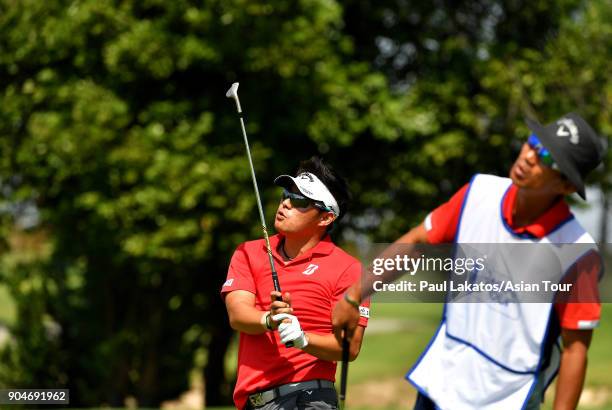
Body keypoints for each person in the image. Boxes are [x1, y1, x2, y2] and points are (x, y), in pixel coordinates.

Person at [333, 113, 605, 409]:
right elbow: (416, 243)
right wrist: (355, 295)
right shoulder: (479, 193)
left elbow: (575, 350)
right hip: (442, 383)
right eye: (534, 143)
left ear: (566, 186)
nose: (529, 157)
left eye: (548, 159)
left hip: (508, 399)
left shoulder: (579, 253)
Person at [222, 157, 370, 410]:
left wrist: (303, 339)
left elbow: (350, 347)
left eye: (300, 200)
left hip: (309, 398)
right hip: (251, 403)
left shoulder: (349, 269)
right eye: (286, 194)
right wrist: (269, 320)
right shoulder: (249, 252)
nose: (285, 204)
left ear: (325, 218)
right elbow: (237, 314)